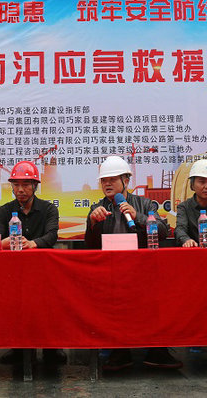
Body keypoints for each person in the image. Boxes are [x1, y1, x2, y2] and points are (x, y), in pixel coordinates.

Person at [84, 155, 181, 371]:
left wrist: (138, 216)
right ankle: (120, 352)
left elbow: (162, 232)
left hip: (142, 269)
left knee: (155, 305)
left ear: (126, 180)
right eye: (104, 180)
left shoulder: (144, 204)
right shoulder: (97, 207)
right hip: (112, 270)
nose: (107, 184)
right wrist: (92, 223)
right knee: (114, 308)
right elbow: (90, 245)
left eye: (112, 179)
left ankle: (157, 351)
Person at [0, 161, 63, 365]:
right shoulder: (4, 211)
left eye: (25, 184)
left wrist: (32, 243)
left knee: (47, 309)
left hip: (43, 271)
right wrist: (6, 242)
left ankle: (51, 348)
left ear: (35, 186)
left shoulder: (49, 209)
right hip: (14, 272)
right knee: (17, 308)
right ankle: (19, 348)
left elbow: (52, 235)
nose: (20, 189)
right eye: (16, 185)